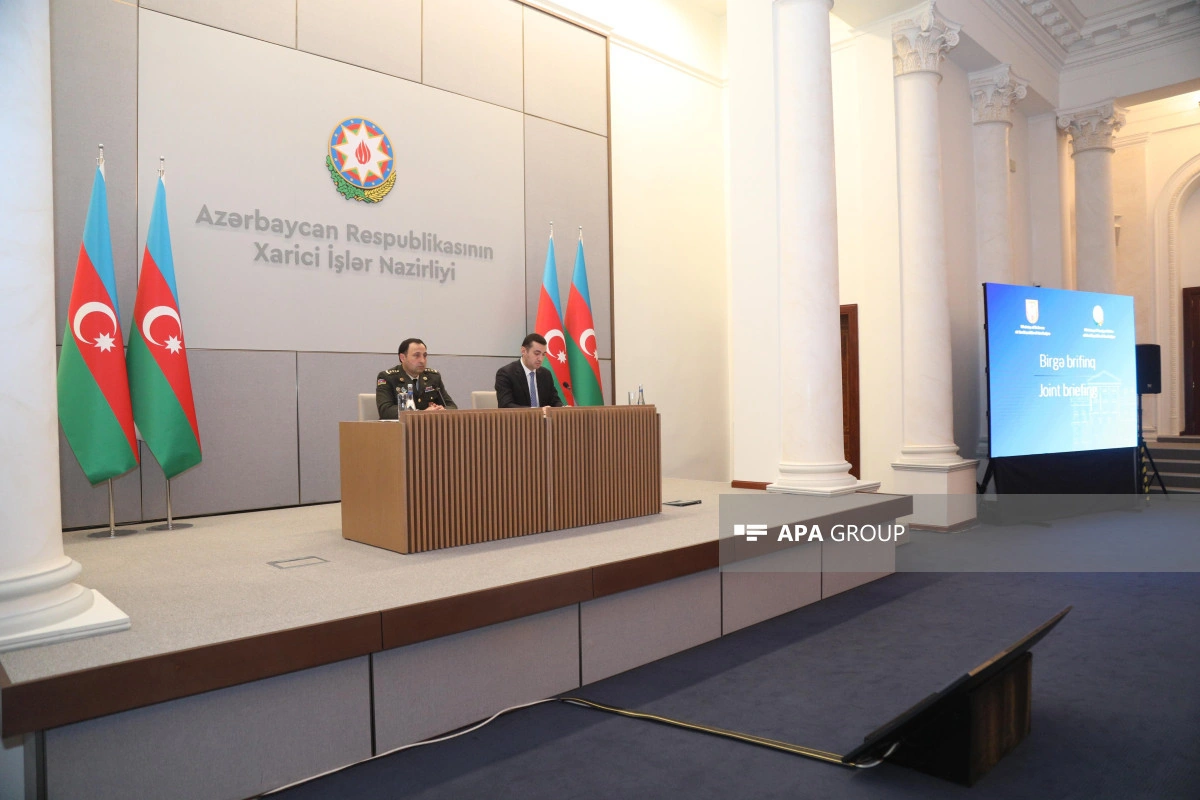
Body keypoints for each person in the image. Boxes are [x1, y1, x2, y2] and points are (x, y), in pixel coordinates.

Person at [376, 338, 457, 418]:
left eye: (424, 356)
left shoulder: (433, 377)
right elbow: (385, 411)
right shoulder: (388, 377)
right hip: (402, 426)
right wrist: (421, 414)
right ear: (402, 358)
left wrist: (442, 410)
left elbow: (452, 406)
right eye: (416, 355)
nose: (422, 360)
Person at [495, 333, 565, 409]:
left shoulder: (546, 374)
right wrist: (536, 411)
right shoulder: (506, 374)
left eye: (543, 354)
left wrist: (562, 408)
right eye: (537, 353)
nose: (540, 359)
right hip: (521, 417)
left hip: (544, 417)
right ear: (523, 351)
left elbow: (554, 401)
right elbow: (506, 405)